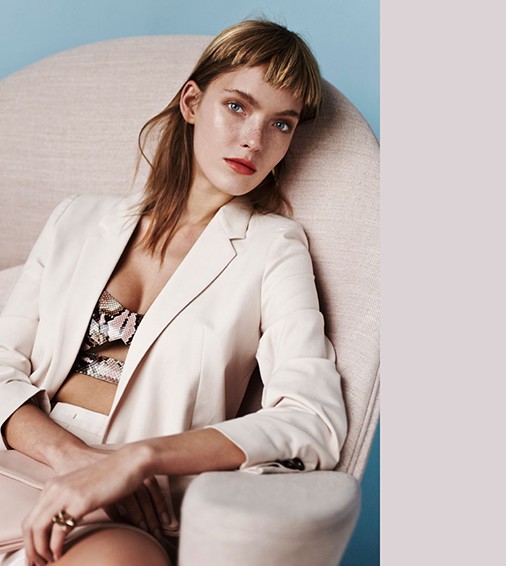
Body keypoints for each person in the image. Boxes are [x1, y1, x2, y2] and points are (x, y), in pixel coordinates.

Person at [0, 19, 347, 565]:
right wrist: (73, 457)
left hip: (126, 504)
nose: (254, 140)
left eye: (281, 124)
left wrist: (135, 460)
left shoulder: (273, 248)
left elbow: (313, 420)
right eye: (237, 106)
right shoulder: (77, 219)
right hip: (24, 455)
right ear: (192, 102)